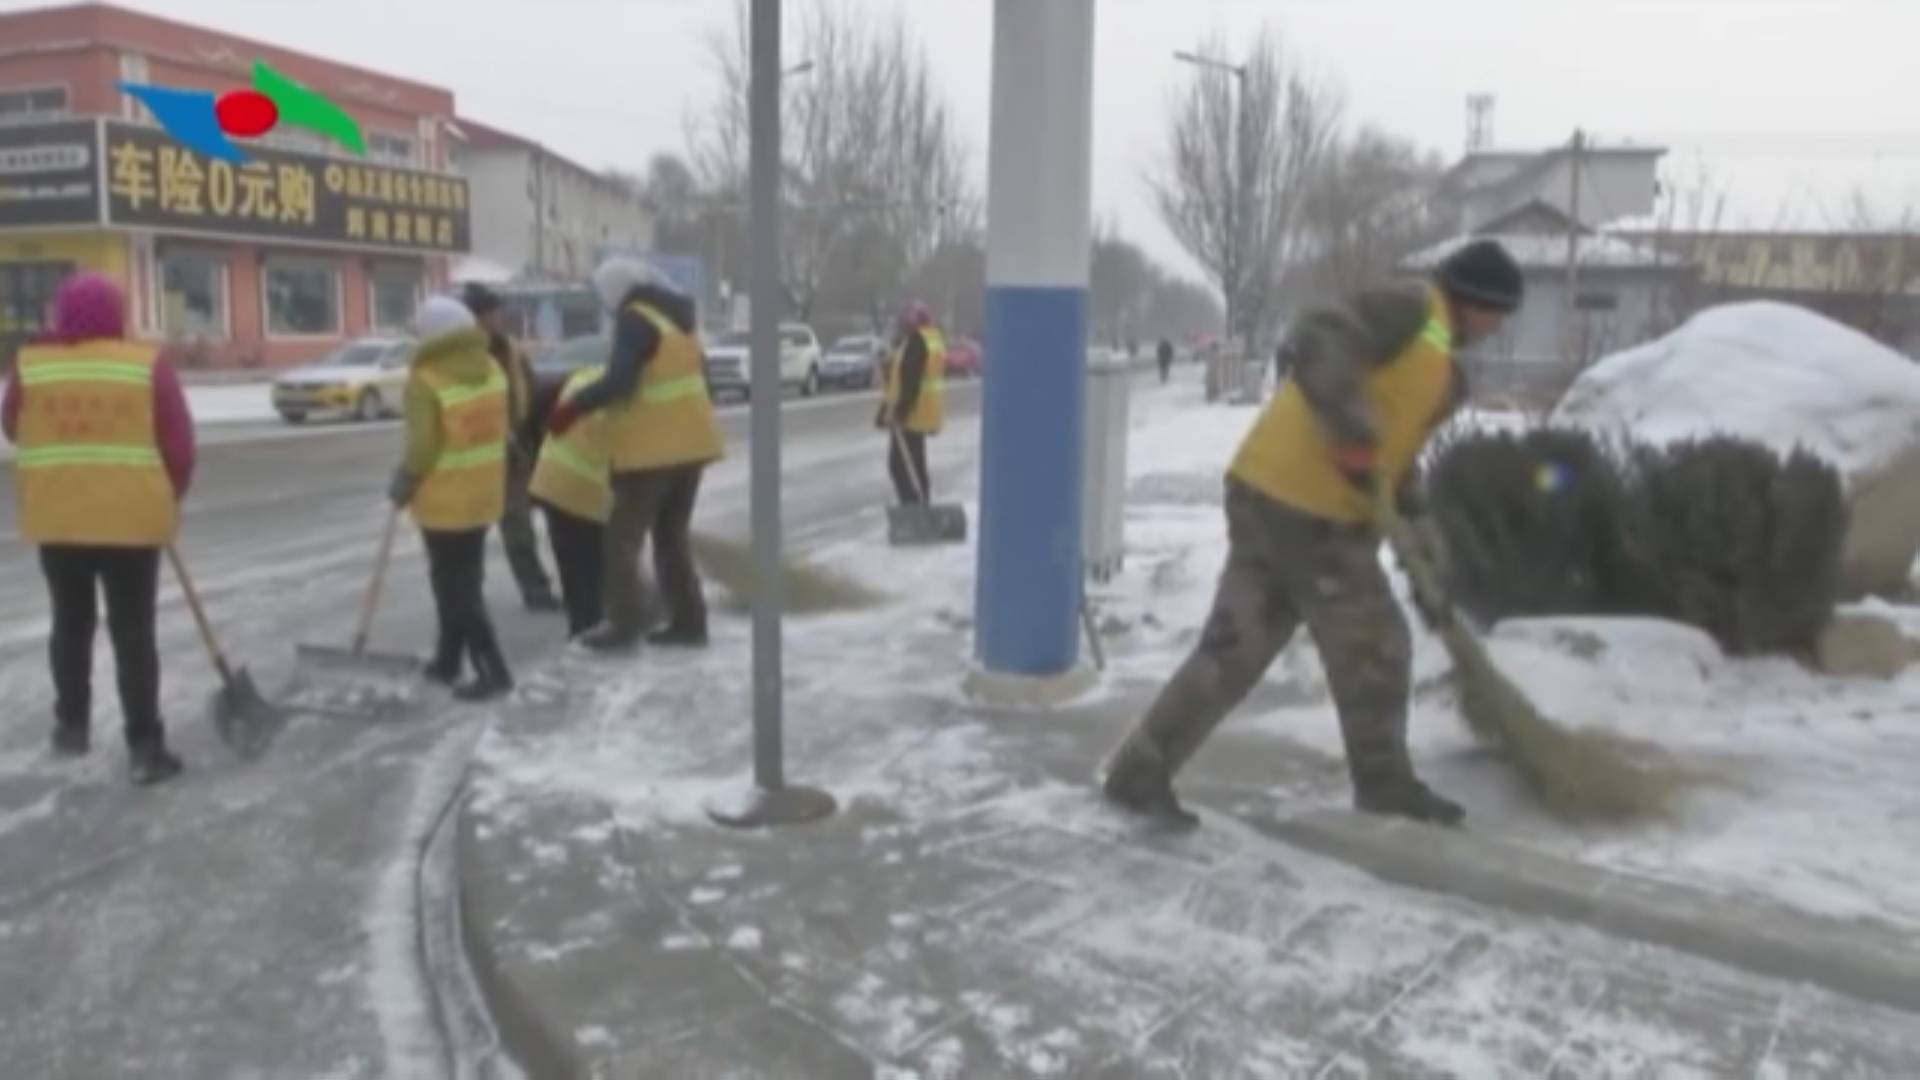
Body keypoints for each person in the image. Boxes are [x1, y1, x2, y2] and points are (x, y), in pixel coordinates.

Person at [1100, 238, 1525, 830]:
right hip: (1312, 512)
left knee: (1234, 649)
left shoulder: (1445, 377)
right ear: (1476, 300)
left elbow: (1395, 461)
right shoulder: (1413, 308)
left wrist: (1420, 528)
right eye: (1499, 312)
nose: (1499, 326)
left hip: (1267, 492)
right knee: (1376, 645)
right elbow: (1319, 333)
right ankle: (1385, 788)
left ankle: (1140, 770)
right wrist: (1350, 428)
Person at [2, 272, 194, 784]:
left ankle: (71, 727)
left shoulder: (32, 366)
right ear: (117, 314)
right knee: (133, 632)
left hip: (58, 521)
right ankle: (145, 748)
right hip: (132, 525)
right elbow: (178, 447)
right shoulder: (144, 366)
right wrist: (167, 496)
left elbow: (12, 426)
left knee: (70, 624)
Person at [548, 257, 723, 651]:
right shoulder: (678, 321)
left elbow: (619, 381)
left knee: (621, 539)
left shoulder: (635, 319)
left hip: (654, 450)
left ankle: (623, 626)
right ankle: (690, 622)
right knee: (671, 536)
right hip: (692, 445)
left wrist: (572, 406)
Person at [389, 296, 514, 701]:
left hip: (445, 500)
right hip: (484, 493)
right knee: (463, 579)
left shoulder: (426, 378)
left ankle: (493, 671)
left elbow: (423, 446)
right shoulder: (491, 367)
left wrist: (406, 478)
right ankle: (448, 660)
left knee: (455, 588)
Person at [461, 283, 562, 614]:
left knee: (517, 522)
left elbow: (529, 392)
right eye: (491, 313)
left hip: (514, 451)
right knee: (467, 529)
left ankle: (536, 590)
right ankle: (465, 592)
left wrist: (532, 434)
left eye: (497, 312)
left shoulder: (511, 350)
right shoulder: (462, 354)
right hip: (474, 454)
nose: (498, 318)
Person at [528, 362, 612, 638]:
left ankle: (580, 628)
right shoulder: (627, 394)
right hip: (585, 485)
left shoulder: (585, 374)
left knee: (571, 564)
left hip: (551, 478)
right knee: (592, 565)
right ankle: (591, 629)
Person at [876, 300, 946, 505]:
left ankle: (915, 508)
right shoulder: (929, 338)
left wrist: (898, 413)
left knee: (901, 466)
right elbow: (900, 380)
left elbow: (910, 383)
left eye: (902, 323)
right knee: (914, 465)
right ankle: (919, 505)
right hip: (922, 413)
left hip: (912, 414)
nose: (900, 327)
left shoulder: (917, 342)